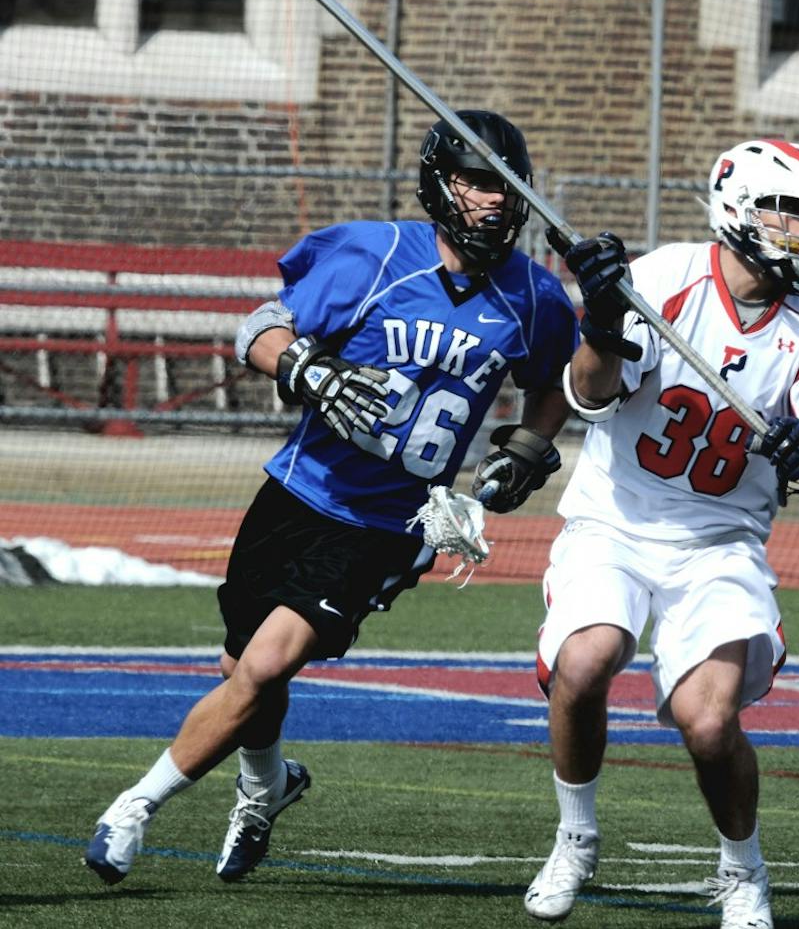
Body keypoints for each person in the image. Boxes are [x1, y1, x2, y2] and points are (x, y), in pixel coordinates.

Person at [84, 110, 577, 886]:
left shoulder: (535, 296)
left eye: (508, 186)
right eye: (481, 182)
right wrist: (304, 368)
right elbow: (259, 328)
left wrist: (525, 445)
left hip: (391, 522)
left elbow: (556, 384)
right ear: (441, 184)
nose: (496, 201)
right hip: (297, 491)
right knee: (242, 666)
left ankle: (132, 810)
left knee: (267, 662)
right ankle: (267, 786)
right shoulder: (375, 255)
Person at [524, 139, 799, 928]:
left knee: (709, 722)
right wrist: (602, 324)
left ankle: (743, 871)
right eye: (794, 211)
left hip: (720, 540)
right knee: (587, 658)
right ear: (738, 209)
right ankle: (575, 836)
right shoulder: (664, 281)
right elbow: (591, 398)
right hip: (615, 518)